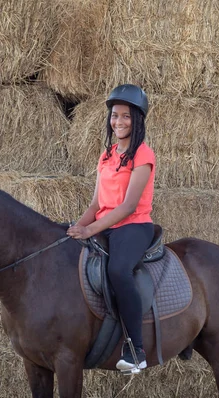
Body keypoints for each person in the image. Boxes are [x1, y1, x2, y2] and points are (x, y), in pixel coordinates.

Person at [67, 84, 155, 372]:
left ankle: (135, 349)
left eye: (126, 116)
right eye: (114, 116)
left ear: (137, 120)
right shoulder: (106, 156)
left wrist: (90, 231)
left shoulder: (143, 155)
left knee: (118, 271)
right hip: (105, 225)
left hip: (132, 226)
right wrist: (77, 228)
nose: (118, 121)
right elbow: (96, 204)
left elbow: (128, 206)